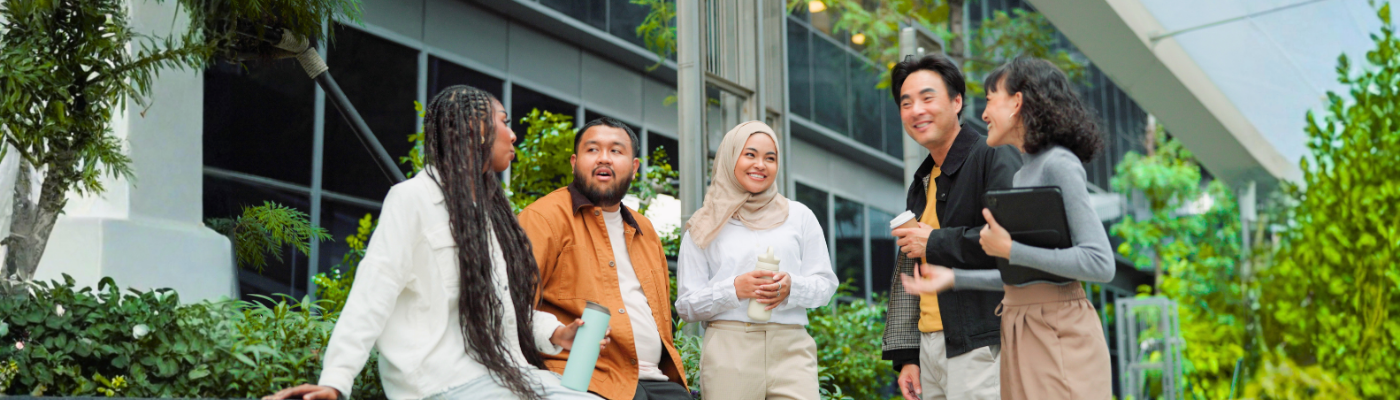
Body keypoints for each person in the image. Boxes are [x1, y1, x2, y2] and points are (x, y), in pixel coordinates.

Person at [265, 85, 608, 400]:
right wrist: (335, 381)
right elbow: (373, 292)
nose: (513, 134)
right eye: (504, 122)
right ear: (476, 128)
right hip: (441, 384)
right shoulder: (412, 199)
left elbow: (498, 308)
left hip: (505, 377)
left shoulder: (489, 214)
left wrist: (556, 334)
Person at [901, 56, 1116, 400]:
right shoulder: (1022, 172)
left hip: (1057, 330)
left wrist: (1009, 249)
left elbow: (1100, 263)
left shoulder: (1059, 163)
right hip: (1021, 326)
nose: (984, 114)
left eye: (989, 100)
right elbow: (1025, 275)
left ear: (1017, 102)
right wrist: (956, 279)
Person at [517, 118, 691, 400]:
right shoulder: (543, 217)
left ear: (634, 167)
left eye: (616, 151)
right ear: (574, 162)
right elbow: (512, 307)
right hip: (584, 379)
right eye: (592, 150)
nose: (604, 159)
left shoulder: (645, 229)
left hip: (658, 381)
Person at [881, 54, 1022, 400]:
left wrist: (934, 242)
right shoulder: (923, 179)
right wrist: (908, 358)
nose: (916, 110)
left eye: (928, 98)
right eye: (906, 102)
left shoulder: (993, 155)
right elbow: (912, 268)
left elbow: (1012, 242)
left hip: (979, 344)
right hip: (930, 346)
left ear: (957, 101)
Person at [674, 121, 838, 400]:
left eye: (770, 158)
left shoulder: (799, 216)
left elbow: (825, 285)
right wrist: (735, 289)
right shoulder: (704, 224)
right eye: (750, 154)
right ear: (730, 157)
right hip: (729, 351)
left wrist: (791, 287)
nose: (760, 165)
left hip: (792, 349)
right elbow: (686, 306)